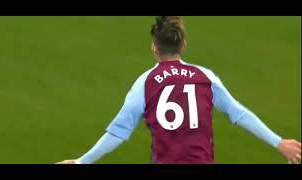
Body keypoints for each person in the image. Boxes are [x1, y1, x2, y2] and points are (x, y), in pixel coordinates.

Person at [57, 16, 301, 164]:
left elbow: (119, 132)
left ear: (154, 48)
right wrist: (279, 143)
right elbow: (239, 114)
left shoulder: (145, 83)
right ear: (183, 44)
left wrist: (82, 161)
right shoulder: (205, 78)